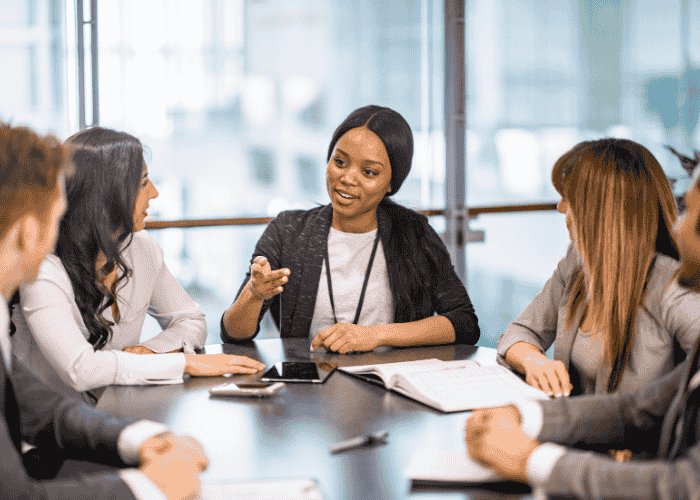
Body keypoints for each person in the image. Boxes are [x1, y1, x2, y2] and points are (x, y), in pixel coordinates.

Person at [465, 161, 700, 499]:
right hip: (593, 453)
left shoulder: (670, 286)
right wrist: (521, 415)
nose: (675, 229)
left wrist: (530, 459)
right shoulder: (577, 263)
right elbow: (636, 412)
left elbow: (685, 487)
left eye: (689, 213)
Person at [0, 121, 208, 500]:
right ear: (27, 233)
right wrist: (150, 486)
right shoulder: (47, 271)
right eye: (55, 215)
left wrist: (142, 438)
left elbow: (41, 409)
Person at [11, 127, 265, 399]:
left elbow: (191, 321)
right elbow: (80, 368)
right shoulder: (42, 268)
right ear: (106, 194)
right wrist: (187, 363)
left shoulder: (140, 247)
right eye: (143, 183)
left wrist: (150, 351)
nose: (154, 193)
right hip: (52, 429)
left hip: (115, 412)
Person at [221, 105, 480, 352]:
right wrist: (253, 295)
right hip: (310, 389)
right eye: (340, 162)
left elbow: (464, 322)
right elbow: (233, 333)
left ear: (391, 183)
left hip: (392, 385)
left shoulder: (413, 233)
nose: (347, 178)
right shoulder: (288, 232)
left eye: (368, 172)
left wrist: (375, 335)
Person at [497, 138, 700, 397]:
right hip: (570, 429)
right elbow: (521, 330)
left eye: (568, 200)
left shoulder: (672, 286)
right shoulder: (577, 262)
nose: (560, 208)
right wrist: (534, 361)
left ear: (600, 212)